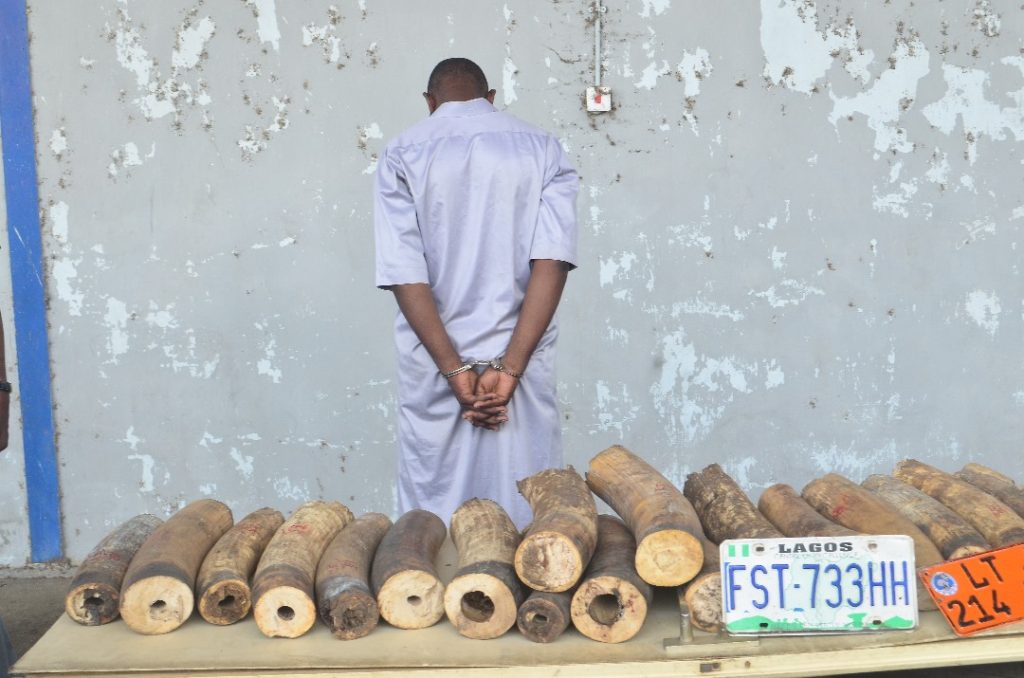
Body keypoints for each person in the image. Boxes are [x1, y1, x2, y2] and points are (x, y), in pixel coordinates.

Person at [374, 58, 579, 528]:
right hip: (521, 364)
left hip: (435, 365)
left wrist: (455, 371)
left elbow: (405, 274)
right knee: (528, 504)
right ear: (490, 98)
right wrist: (509, 369)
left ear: (430, 103)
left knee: (434, 513)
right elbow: (552, 262)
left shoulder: (402, 153)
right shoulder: (542, 147)